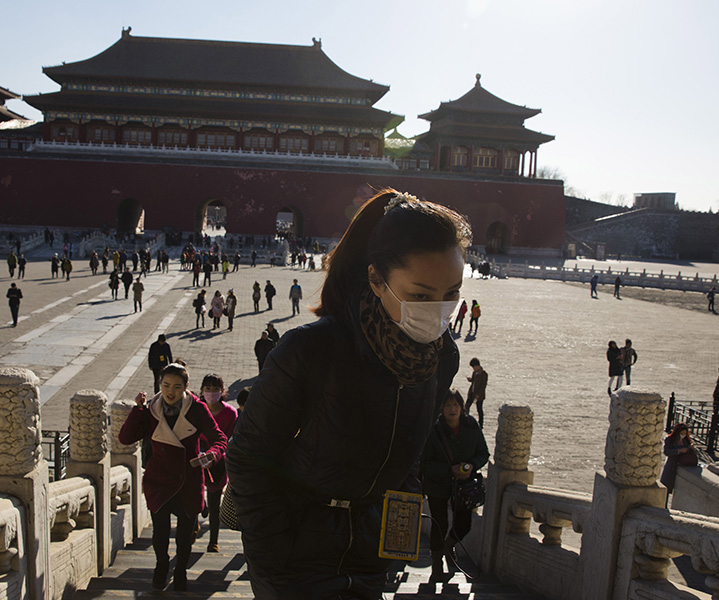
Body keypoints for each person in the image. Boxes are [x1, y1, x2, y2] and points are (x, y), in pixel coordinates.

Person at [227, 189, 466, 598]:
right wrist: (272, 547)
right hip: (294, 555)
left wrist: (396, 532)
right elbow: (247, 455)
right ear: (376, 280)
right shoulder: (310, 349)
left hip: (370, 553)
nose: (438, 311)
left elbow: (411, 453)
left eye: (452, 294)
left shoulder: (441, 358)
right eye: (421, 296)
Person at [117, 362, 227, 591]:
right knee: (160, 532)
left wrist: (212, 454)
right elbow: (126, 438)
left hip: (188, 480)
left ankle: (180, 571)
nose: (170, 391)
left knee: (185, 536)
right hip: (159, 479)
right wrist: (137, 410)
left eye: (177, 387)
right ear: (160, 384)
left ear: (186, 387)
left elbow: (219, 439)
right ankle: (161, 565)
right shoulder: (151, 409)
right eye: (166, 385)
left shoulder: (196, 409)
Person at [421, 390, 489, 581]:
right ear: (441, 409)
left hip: (464, 486)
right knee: (439, 523)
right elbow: (424, 463)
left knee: (463, 524)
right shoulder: (434, 430)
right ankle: (436, 564)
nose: (452, 409)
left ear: (461, 407)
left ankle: (449, 545)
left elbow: (483, 453)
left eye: (456, 405)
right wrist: (449, 470)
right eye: (448, 405)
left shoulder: (471, 426)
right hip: (438, 484)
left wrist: (471, 465)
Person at [198, 374, 238, 553]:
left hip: (218, 462)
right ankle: (196, 522)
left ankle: (213, 541)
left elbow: (230, 439)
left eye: (215, 389)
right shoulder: (196, 410)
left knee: (215, 504)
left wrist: (215, 455)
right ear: (202, 390)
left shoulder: (230, 413)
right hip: (197, 460)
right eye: (208, 389)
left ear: (222, 391)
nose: (211, 393)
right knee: (194, 497)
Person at [661, 423, 696, 499]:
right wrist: (679, 451)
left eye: (684, 433)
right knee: (666, 487)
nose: (683, 435)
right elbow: (667, 452)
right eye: (681, 433)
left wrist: (690, 448)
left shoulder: (686, 440)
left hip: (683, 464)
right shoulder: (669, 439)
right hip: (672, 466)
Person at [465, 357, 489, 428]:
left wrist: (478, 394)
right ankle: (465, 420)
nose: (473, 369)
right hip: (472, 393)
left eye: (474, 367)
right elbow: (474, 381)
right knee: (466, 406)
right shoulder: (475, 372)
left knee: (479, 409)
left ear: (477, 366)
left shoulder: (484, 374)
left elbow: (483, 386)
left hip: (479, 395)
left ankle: (480, 424)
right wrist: (470, 379)